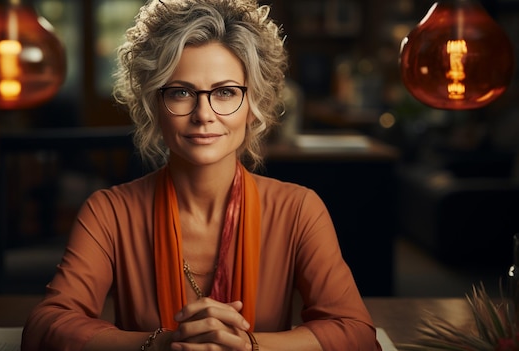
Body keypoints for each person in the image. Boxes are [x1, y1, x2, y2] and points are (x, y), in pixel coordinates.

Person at [22, 0, 382, 350]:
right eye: (181, 92)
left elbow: (357, 334)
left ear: (253, 106)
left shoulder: (299, 209)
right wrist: (162, 344)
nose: (203, 114)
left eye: (225, 92)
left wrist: (248, 346)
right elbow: (46, 328)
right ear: (153, 105)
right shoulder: (109, 212)